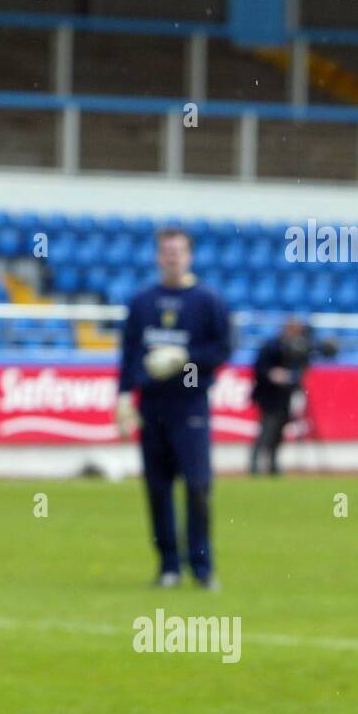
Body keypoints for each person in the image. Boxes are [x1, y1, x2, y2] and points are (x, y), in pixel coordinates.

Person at [116, 228, 231, 591]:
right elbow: (130, 352)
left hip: (191, 406)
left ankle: (202, 567)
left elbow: (223, 350)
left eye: (178, 252)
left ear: (189, 256)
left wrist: (185, 358)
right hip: (152, 406)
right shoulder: (142, 301)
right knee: (157, 488)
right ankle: (168, 566)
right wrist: (123, 397)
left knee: (197, 487)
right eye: (166, 251)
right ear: (157, 256)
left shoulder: (208, 300)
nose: (171, 257)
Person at [250, 319, 335, 476]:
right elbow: (259, 368)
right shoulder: (272, 346)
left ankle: (273, 465)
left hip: (285, 396)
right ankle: (254, 466)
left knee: (279, 432)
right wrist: (273, 374)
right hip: (269, 395)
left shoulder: (297, 348)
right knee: (266, 431)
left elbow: (301, 368)